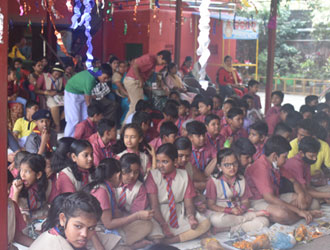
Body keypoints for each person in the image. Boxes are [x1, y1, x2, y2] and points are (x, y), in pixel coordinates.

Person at [245, 135, 318, 225]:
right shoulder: (260, 167)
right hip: (259, 201)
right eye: (285, 157)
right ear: (274, 156)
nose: (287, 160)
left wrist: (301, 194)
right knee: (282, 214)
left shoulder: (275, 163)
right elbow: (269, 198)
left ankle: (292, 215)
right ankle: (302, 215)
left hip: (276, 196)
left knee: (307, 198)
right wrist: (298, 210)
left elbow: (294, 181)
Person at [146, 144, 211, 243]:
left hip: (178, 212)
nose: (160, 165)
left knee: (205, 223)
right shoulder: (152, 175)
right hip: (158, 214)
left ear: (175, 161)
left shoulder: (184, 175)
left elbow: (188, 203)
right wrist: (164, 225)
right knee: (156, 238)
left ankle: (171, 240)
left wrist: (191, 217)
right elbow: (154, 206)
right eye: (158, 161)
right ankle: (178, 237)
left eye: (165, 162)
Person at [86, 158, 152, 249]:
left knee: (146, 225)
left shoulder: (108, 187)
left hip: (108, 227)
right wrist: (137, 216)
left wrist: (121, 214)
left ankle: (124, 243)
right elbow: (108, 225)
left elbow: (114, 213)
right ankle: (128, 245)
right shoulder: (101, 191)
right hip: (98, 232)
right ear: (118, 175)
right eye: (123, 174)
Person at [206, 148, 269, 233]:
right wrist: (230, 210)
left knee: (264, 222)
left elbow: (245, 201)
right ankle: (250, 217)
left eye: (234, 163)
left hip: (239, 213)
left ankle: (230, 228)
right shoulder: (213, 181)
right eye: (227, 165)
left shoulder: (241, 179)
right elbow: (211, 205)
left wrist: (242, 208)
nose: (232, 167)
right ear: (219, 167)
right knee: (216, 220)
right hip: (222, 213)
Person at [29, 191, 104, 250]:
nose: (84, 234)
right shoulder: (58, 246)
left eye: (91, 228)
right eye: (78, 226)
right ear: (63, 219)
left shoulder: (57, 233)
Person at [123, 50, 171, 122]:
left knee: (134, 106)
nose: (161, 65)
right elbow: (135, 66)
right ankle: (128, 127)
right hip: (133, 81)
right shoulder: (150, 60)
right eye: (163, 62)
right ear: (160, 56)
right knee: (137, 107)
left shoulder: (152, 61)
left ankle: (125, 127)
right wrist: (140, 79)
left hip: (133, 81)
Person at [64, 65, 110, 137]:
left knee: (85, 118)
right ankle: (67, 140)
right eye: (105, 78)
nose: (106, 80)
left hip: (82, 92)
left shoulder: (98, 71)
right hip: (72, 93)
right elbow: (88, 100)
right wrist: (91, 109)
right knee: (73, 120)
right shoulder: (90, 79)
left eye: (108, 78)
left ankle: (84, 138)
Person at [283, 136, 330, 202]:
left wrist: (325, 197)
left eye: (316, 156)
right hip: (291, 192)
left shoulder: (306, 162)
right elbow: (304, 190)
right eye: (312, 156)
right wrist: (327, 195)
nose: (314, 159)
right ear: (301, 153)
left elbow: (308, 186)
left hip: (303, 189)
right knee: (314, 204)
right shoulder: (296, 164)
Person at [11, 154, 53, 221]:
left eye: (27, 171)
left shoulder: (47, 184)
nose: (22, 175)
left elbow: (53, 204)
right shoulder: (16, 185)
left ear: (38, 175)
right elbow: (12, 210)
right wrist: (16, 192)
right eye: (21, 170)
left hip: (42, 219)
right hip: (23, 221)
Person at [35, 63, 66, 132]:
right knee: (54, 106)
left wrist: (60, 93)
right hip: (47, 96)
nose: (57, 76)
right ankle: (57, 125)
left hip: (58, 96)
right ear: (52, 72)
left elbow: (67, 89)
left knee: (70, 105)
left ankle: (57, 120)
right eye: (55, 74)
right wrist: (46, 92)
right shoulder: (44, 76)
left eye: (59, 75)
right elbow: (36, 90)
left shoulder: (62, 78)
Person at [7, 170, 34, 249]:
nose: (8, 191)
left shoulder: (12, 206)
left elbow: (18, 236)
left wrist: (40, 245)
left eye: (9, 187)